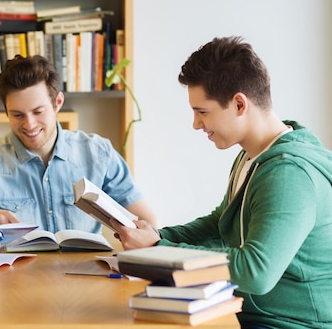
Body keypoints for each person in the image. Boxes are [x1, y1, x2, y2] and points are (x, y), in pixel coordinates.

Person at [113, 36, 332, 328]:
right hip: (248, 313)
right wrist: (159, 237)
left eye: (202, 112)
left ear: (239, 104)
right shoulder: (252, 157)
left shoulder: (288, 174)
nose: (196, 124)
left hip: (287, 323)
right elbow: (220, 224)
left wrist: (158, 249)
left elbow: (256, 271)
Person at [0, 55, 159, 234]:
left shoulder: (98, 153)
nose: (29, 124)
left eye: (38, 112)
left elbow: (149, 222)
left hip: (86, 277)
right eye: (17, 115)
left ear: (57, 102)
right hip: (14, 280)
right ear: (6, 111)